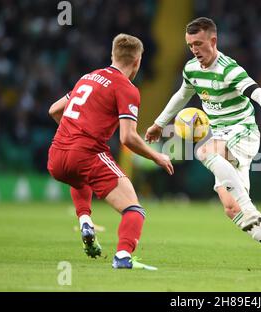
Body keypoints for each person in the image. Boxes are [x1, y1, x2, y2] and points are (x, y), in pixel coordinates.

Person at [145, 17, 261, 267]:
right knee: (232, 208)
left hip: (245, 131)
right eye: (190, 45)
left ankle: (249, 207)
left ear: (213, 40)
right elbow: (181, 95)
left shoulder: (230, 69)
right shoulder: (191, 69)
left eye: (198, 43)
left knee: (204, 151)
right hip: (220, 135)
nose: (194, 50)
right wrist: (159, 123)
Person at [47, 33, 174, 269]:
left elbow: (54, 110)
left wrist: (72, 135)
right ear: (137, 62)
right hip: (86, 153)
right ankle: (123, 257)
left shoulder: (88, 77)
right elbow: (127, 137)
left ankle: (85, 220)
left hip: (56, 155)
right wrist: (157, 156)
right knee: (134, 210)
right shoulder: (127, 88)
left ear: (112, 56)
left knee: (78, 178)